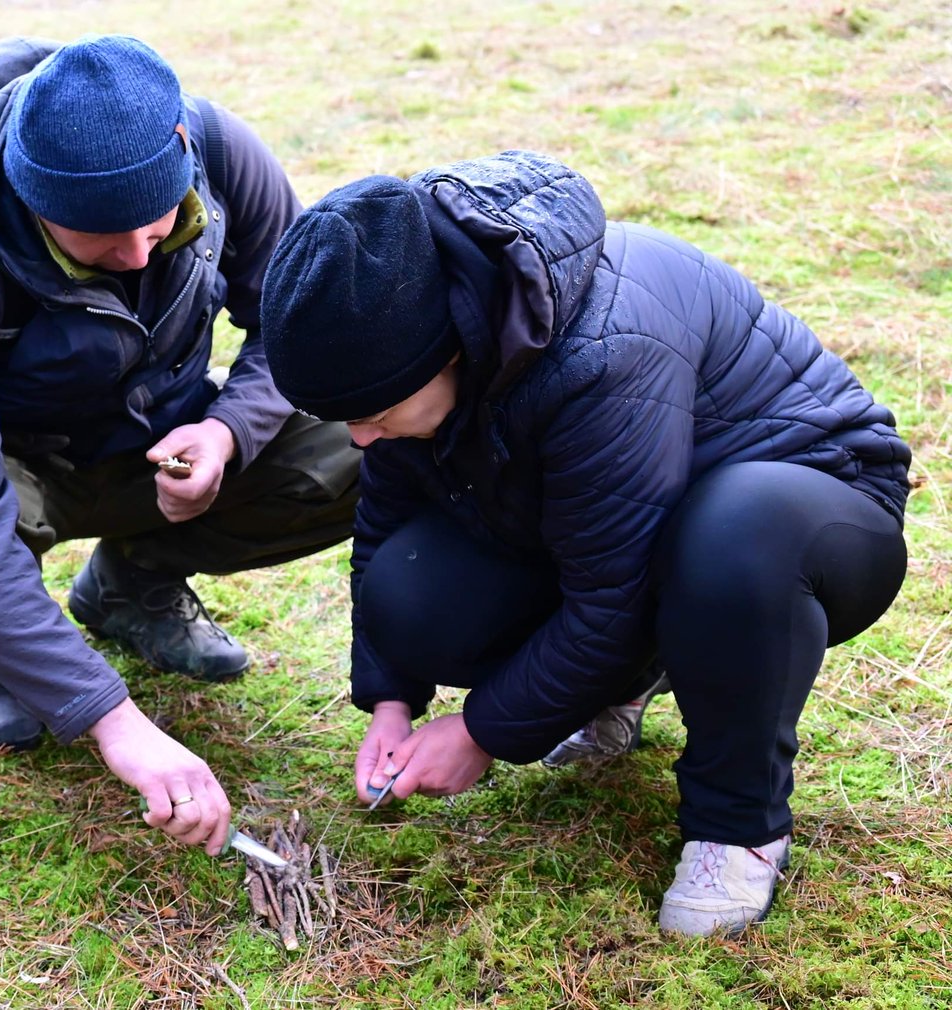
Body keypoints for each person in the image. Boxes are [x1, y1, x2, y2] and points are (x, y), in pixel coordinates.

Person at [259, 155, 910, 936]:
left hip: (811, 515)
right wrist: (391, 701)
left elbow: (611, 599)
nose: (360, 439)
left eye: (372, 416)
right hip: (639, 528)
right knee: (411, 592)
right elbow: (385, 527)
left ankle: (738, 824)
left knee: (731, 539)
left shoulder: (598, 349)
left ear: (445, 352)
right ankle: (620, 688)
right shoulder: (407, 333)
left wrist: (480, 732)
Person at [0, 35, 360, 855]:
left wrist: (227, 432)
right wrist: (112, 719)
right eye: (94, 238)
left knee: (361, 437)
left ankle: (132, 585)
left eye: (158, 224)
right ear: (29, 197)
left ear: (182, 149)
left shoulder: (220, 149)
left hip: (160, 438)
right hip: (10, 469)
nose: (133, 255)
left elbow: (302, 329)